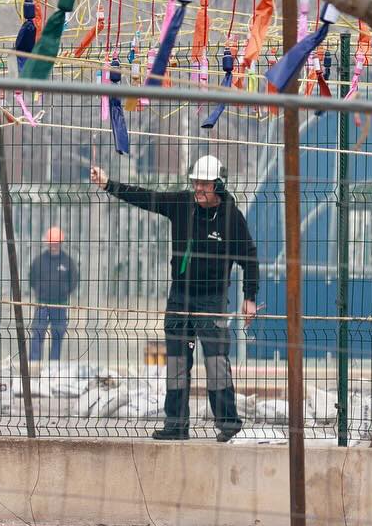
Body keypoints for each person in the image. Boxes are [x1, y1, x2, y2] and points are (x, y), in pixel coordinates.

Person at [90, 155, 259, 442]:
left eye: (204, 185)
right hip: (180, 298)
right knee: (178, 362)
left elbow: (249, 259)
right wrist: (108, 184)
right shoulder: (182, 204)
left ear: (218, 185)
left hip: (213, 300)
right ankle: (176, 424)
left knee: (216, 362)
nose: (198, 190)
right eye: (195, 183)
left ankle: (228, 422)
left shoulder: (232, 217)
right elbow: (146, 197)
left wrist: (249, 296)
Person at [28, 226, 77, 362]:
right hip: (42, 304)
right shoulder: (39, 261)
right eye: (52, 243)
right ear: (47, 243)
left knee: (57, 335)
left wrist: (64, 292)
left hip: (60, 305)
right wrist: (40, 291)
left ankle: (53, 367)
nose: (54, 246)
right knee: (37, 333)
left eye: (57, 243)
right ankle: (33, 364)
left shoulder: (68, 261)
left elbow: (73, 280)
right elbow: (32, 279)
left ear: (61, 243)